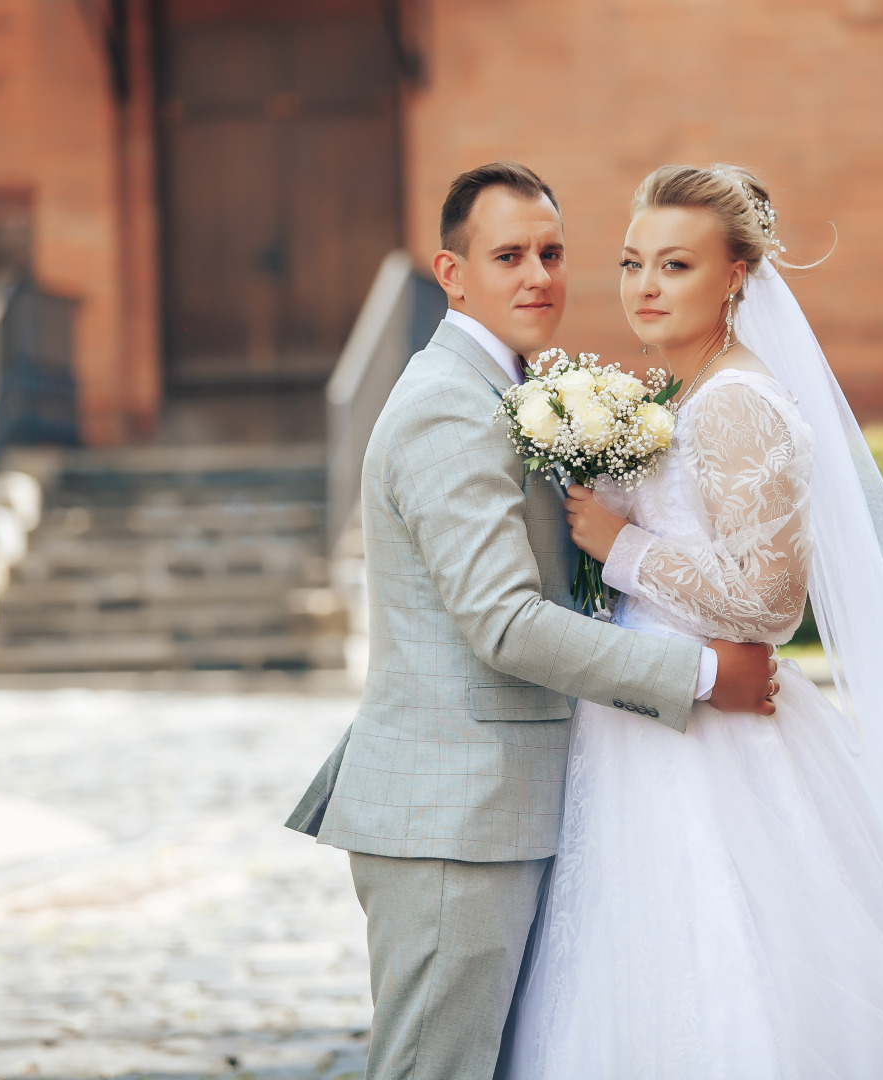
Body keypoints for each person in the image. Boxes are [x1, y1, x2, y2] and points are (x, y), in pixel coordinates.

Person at [505, 163, 883, 1079]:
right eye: (633, 262)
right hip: (650, 711)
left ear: (735, 278)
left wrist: (617, 548)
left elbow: (770, 601)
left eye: (676, 266)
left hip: (716, 725)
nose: (644, 286)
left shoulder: (736, 403)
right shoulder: (683, 394)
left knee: (737, 959)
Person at [284, 162, 781, 1080]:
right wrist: (705, 676)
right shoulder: (448, 406)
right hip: (452, 819)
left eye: (552, 253)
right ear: (452, 273)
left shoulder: (507, 393)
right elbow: (506, 625)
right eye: (508, 255)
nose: (539, 276)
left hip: (496, 806)